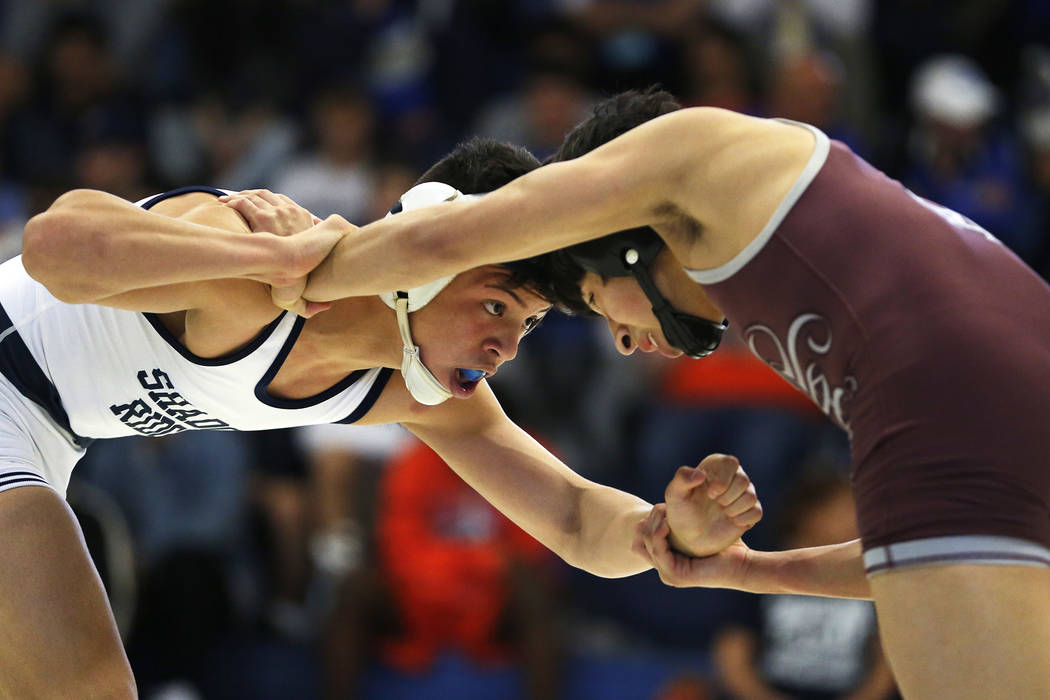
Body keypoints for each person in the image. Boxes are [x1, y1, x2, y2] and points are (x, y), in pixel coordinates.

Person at [296, 89, 1050, 700]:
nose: (622, 340)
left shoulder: (689, 153)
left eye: (596, 300)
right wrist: (750, 570)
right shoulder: (794, 247)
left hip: (946, 402)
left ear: (617, 233)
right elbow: (915, 556)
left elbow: (446, 240)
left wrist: (297, 274)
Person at [1, 135, 761, 698]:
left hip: (48, 435)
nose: (503, 347)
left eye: (525, 325)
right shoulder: (254, 248)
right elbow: (52, 246)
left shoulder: (409, 385)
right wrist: (269, 263)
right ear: (421, 253)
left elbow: (568, 516)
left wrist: (662, 534)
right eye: (495, 306)